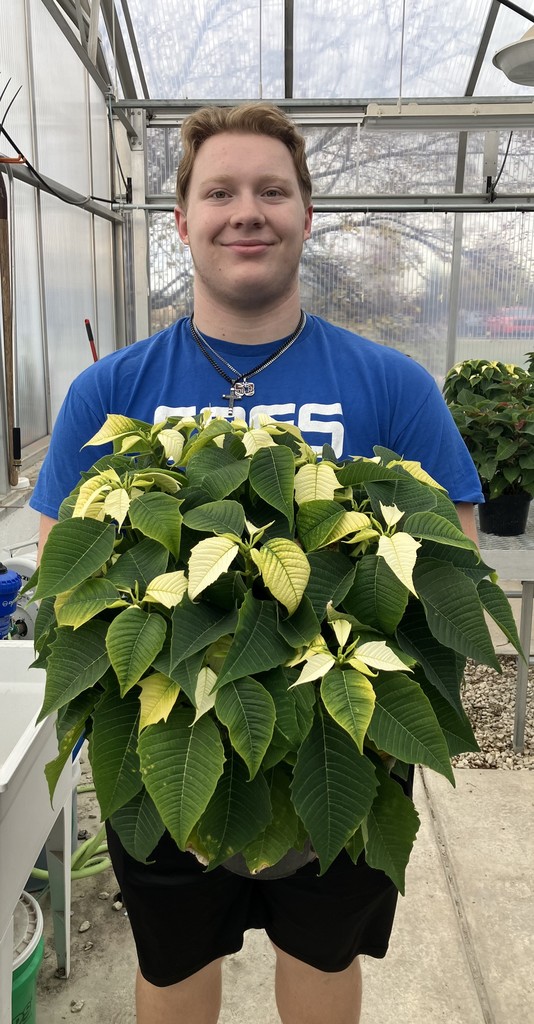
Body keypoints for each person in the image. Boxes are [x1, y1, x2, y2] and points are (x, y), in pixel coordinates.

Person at [30, 102, 483, 1024]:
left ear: (306, 215)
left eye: (272, 191)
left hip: (337, 741)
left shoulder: (390, 383)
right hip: (169, 739)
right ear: (182, 221)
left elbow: (454, 556)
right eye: (220, 192)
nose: (248, 211)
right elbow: (61, 573)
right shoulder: (112, 392)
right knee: (173, 962)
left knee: (323, 954)